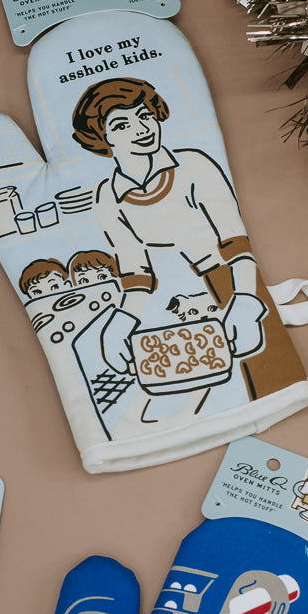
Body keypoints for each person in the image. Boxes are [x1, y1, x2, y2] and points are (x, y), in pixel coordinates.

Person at [70, 77, 274, 401]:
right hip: (174, 299)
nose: (141, 129)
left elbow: (236, 244)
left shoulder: (194, 165)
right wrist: (120, 323)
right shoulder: (108, 198)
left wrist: (246, 302)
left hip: (234, 281)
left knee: (264, 377)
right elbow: (136, 274)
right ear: (102, 138)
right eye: (121, 125)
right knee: (198, 389)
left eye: (144, 115)